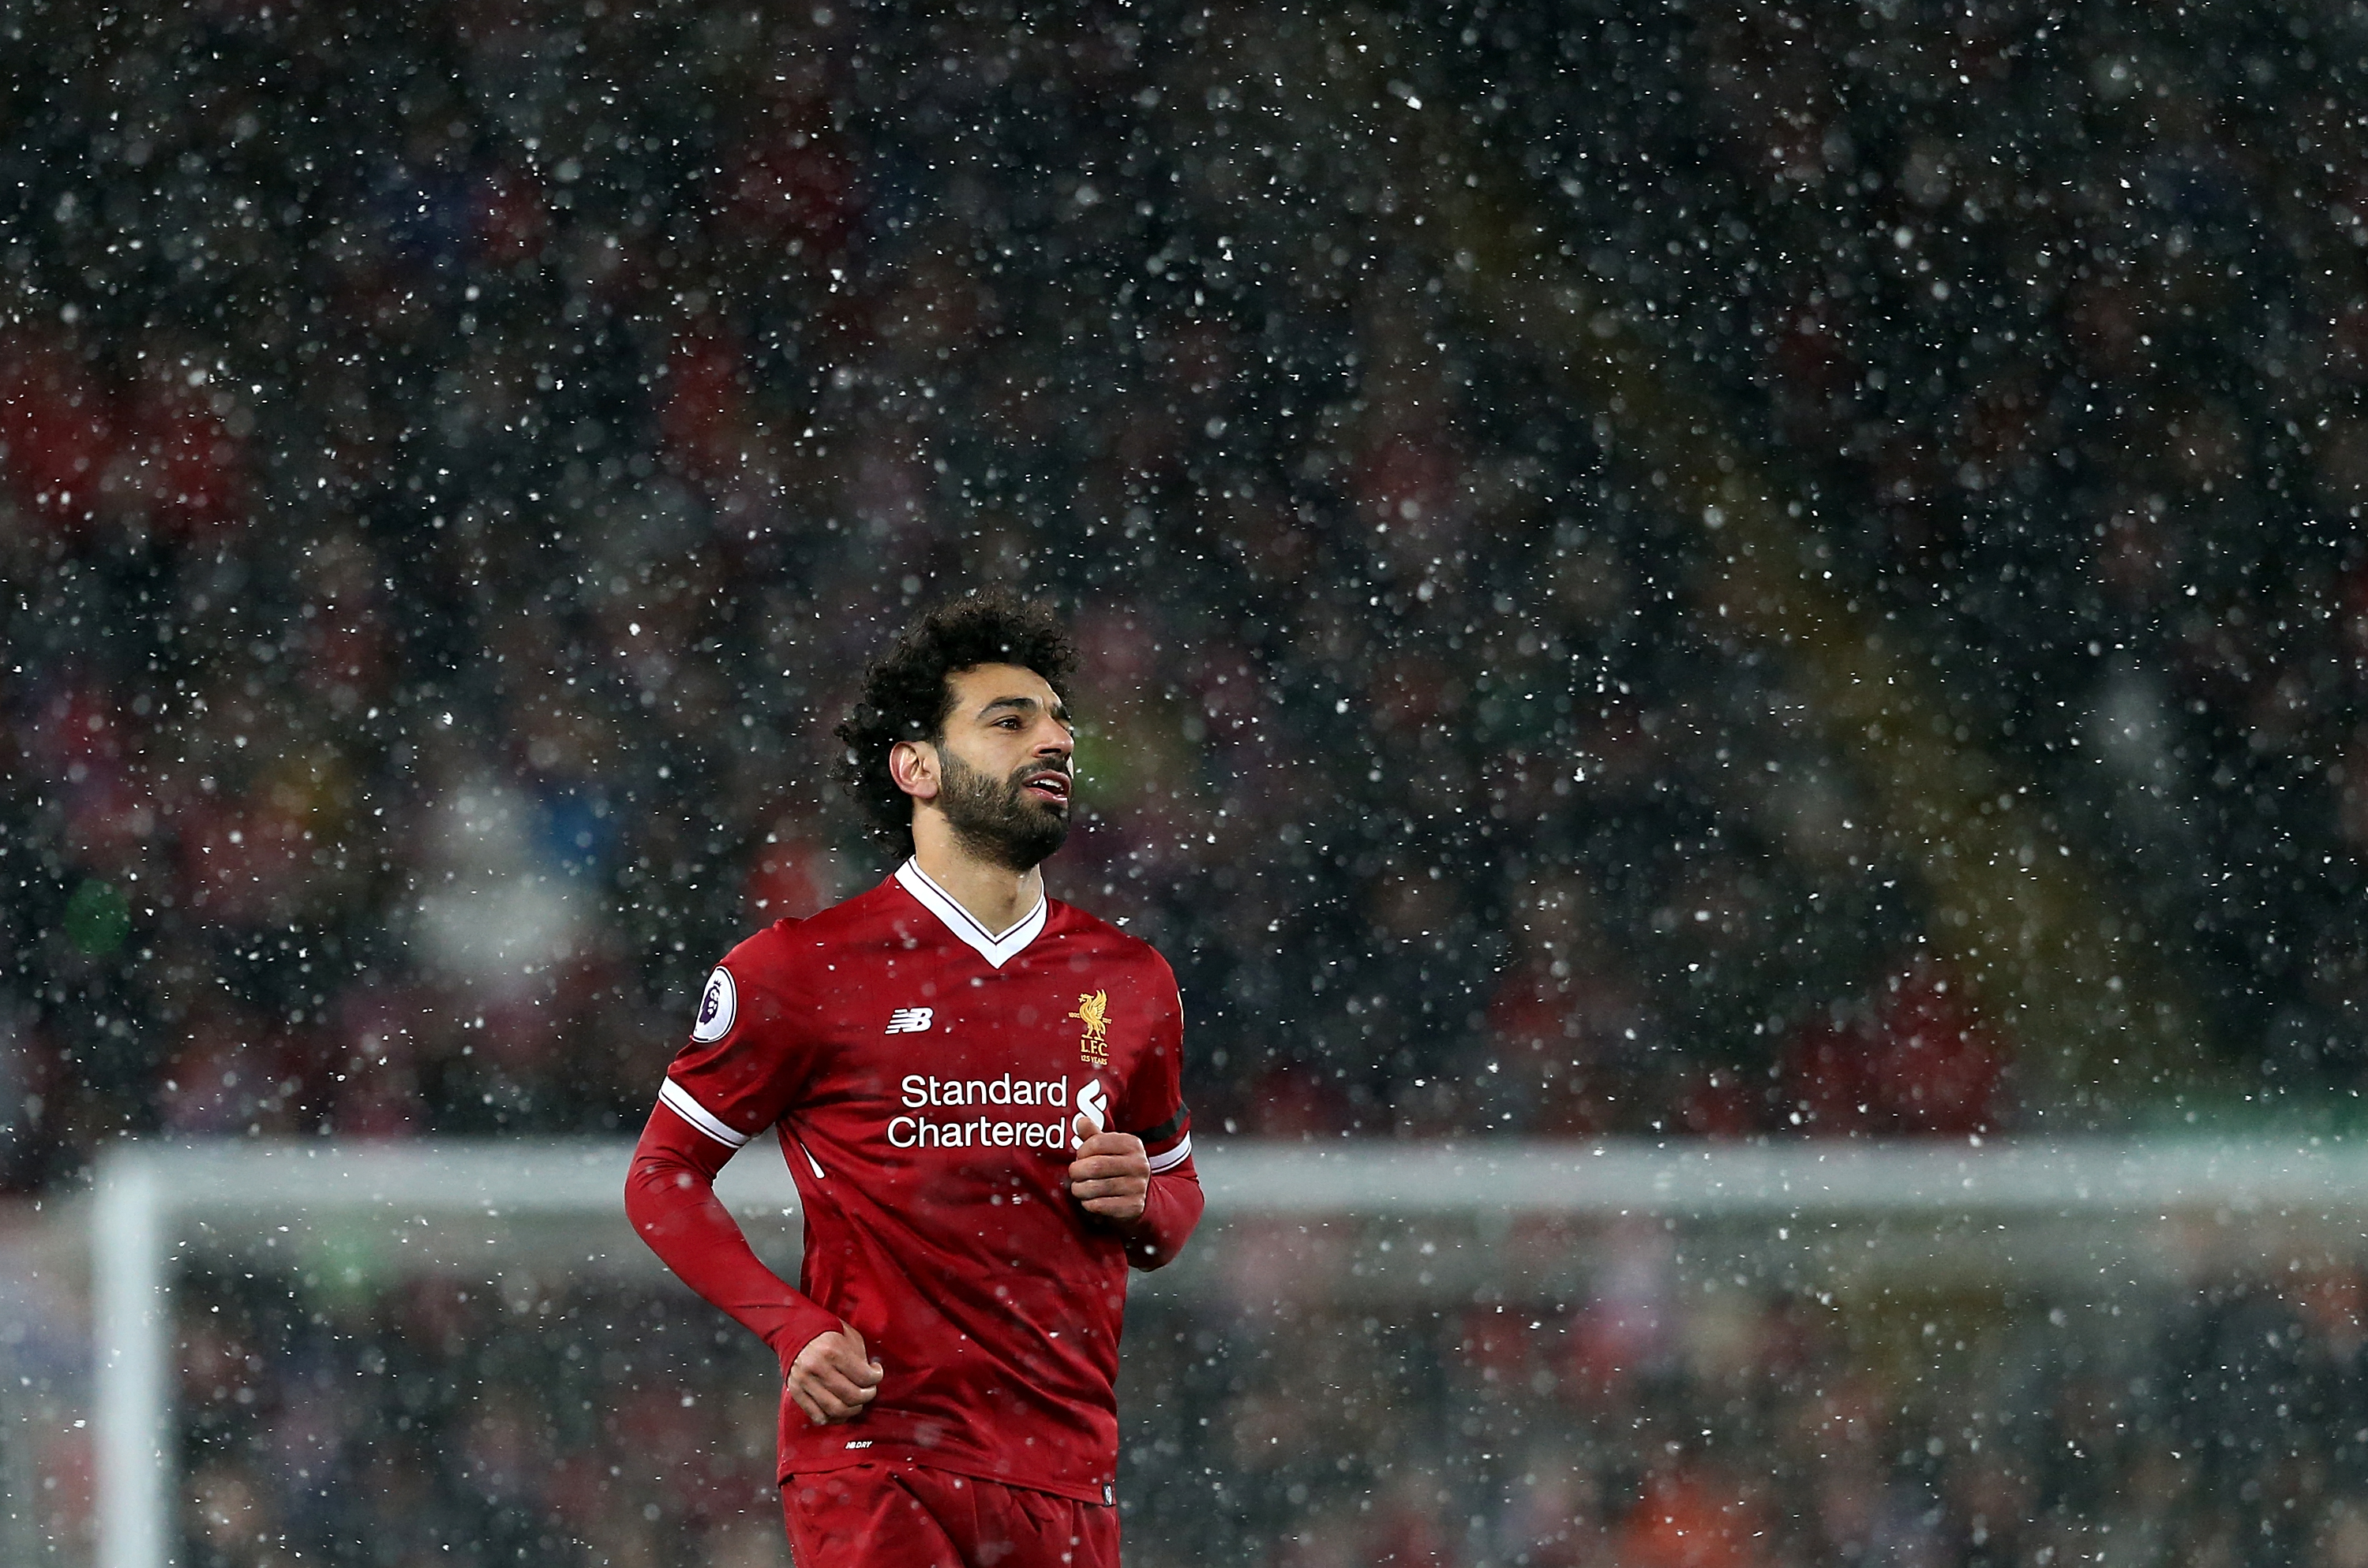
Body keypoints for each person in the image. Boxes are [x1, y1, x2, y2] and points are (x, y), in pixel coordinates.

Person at [624, 589, 1204, 1568]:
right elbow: (662, 1176)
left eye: (1060, 719)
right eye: (1011, 720)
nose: (1054, 739)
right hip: (877, 1458)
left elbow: (1177, 1191)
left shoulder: (1130, 981)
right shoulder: (799, 969)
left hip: (1066, 1475)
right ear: (916, 766)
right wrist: (792, 1327)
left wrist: (1144, 1202)